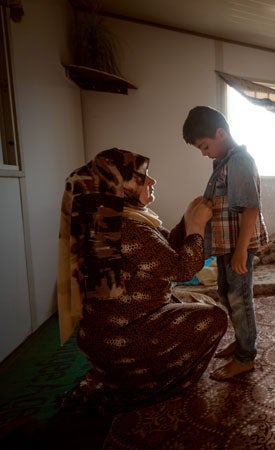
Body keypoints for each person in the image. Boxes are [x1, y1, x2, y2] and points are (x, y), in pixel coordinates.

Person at [57, 148, 228, 414]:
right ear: (118, 187)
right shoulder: (128, 228)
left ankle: (123, 374)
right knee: (215, 317)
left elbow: (164, 252)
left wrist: (187, 217)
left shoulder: (116, 220)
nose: (152, 181)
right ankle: (158, 385)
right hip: (122, 338)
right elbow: (181, 269)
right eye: (143, 177)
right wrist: (195, 228)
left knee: (198, 300)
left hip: (105, 335)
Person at [182, 106, 268, 380]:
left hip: (237, 245)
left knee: (240, 299)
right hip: (225, 244)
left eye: (205, 146)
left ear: (221, 133)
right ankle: (242, 342)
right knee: (225, 293)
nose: (204, 153)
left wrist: (241, 251)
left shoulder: (240, 160)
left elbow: (251, 208)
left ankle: (246, 357)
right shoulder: (222, 163)